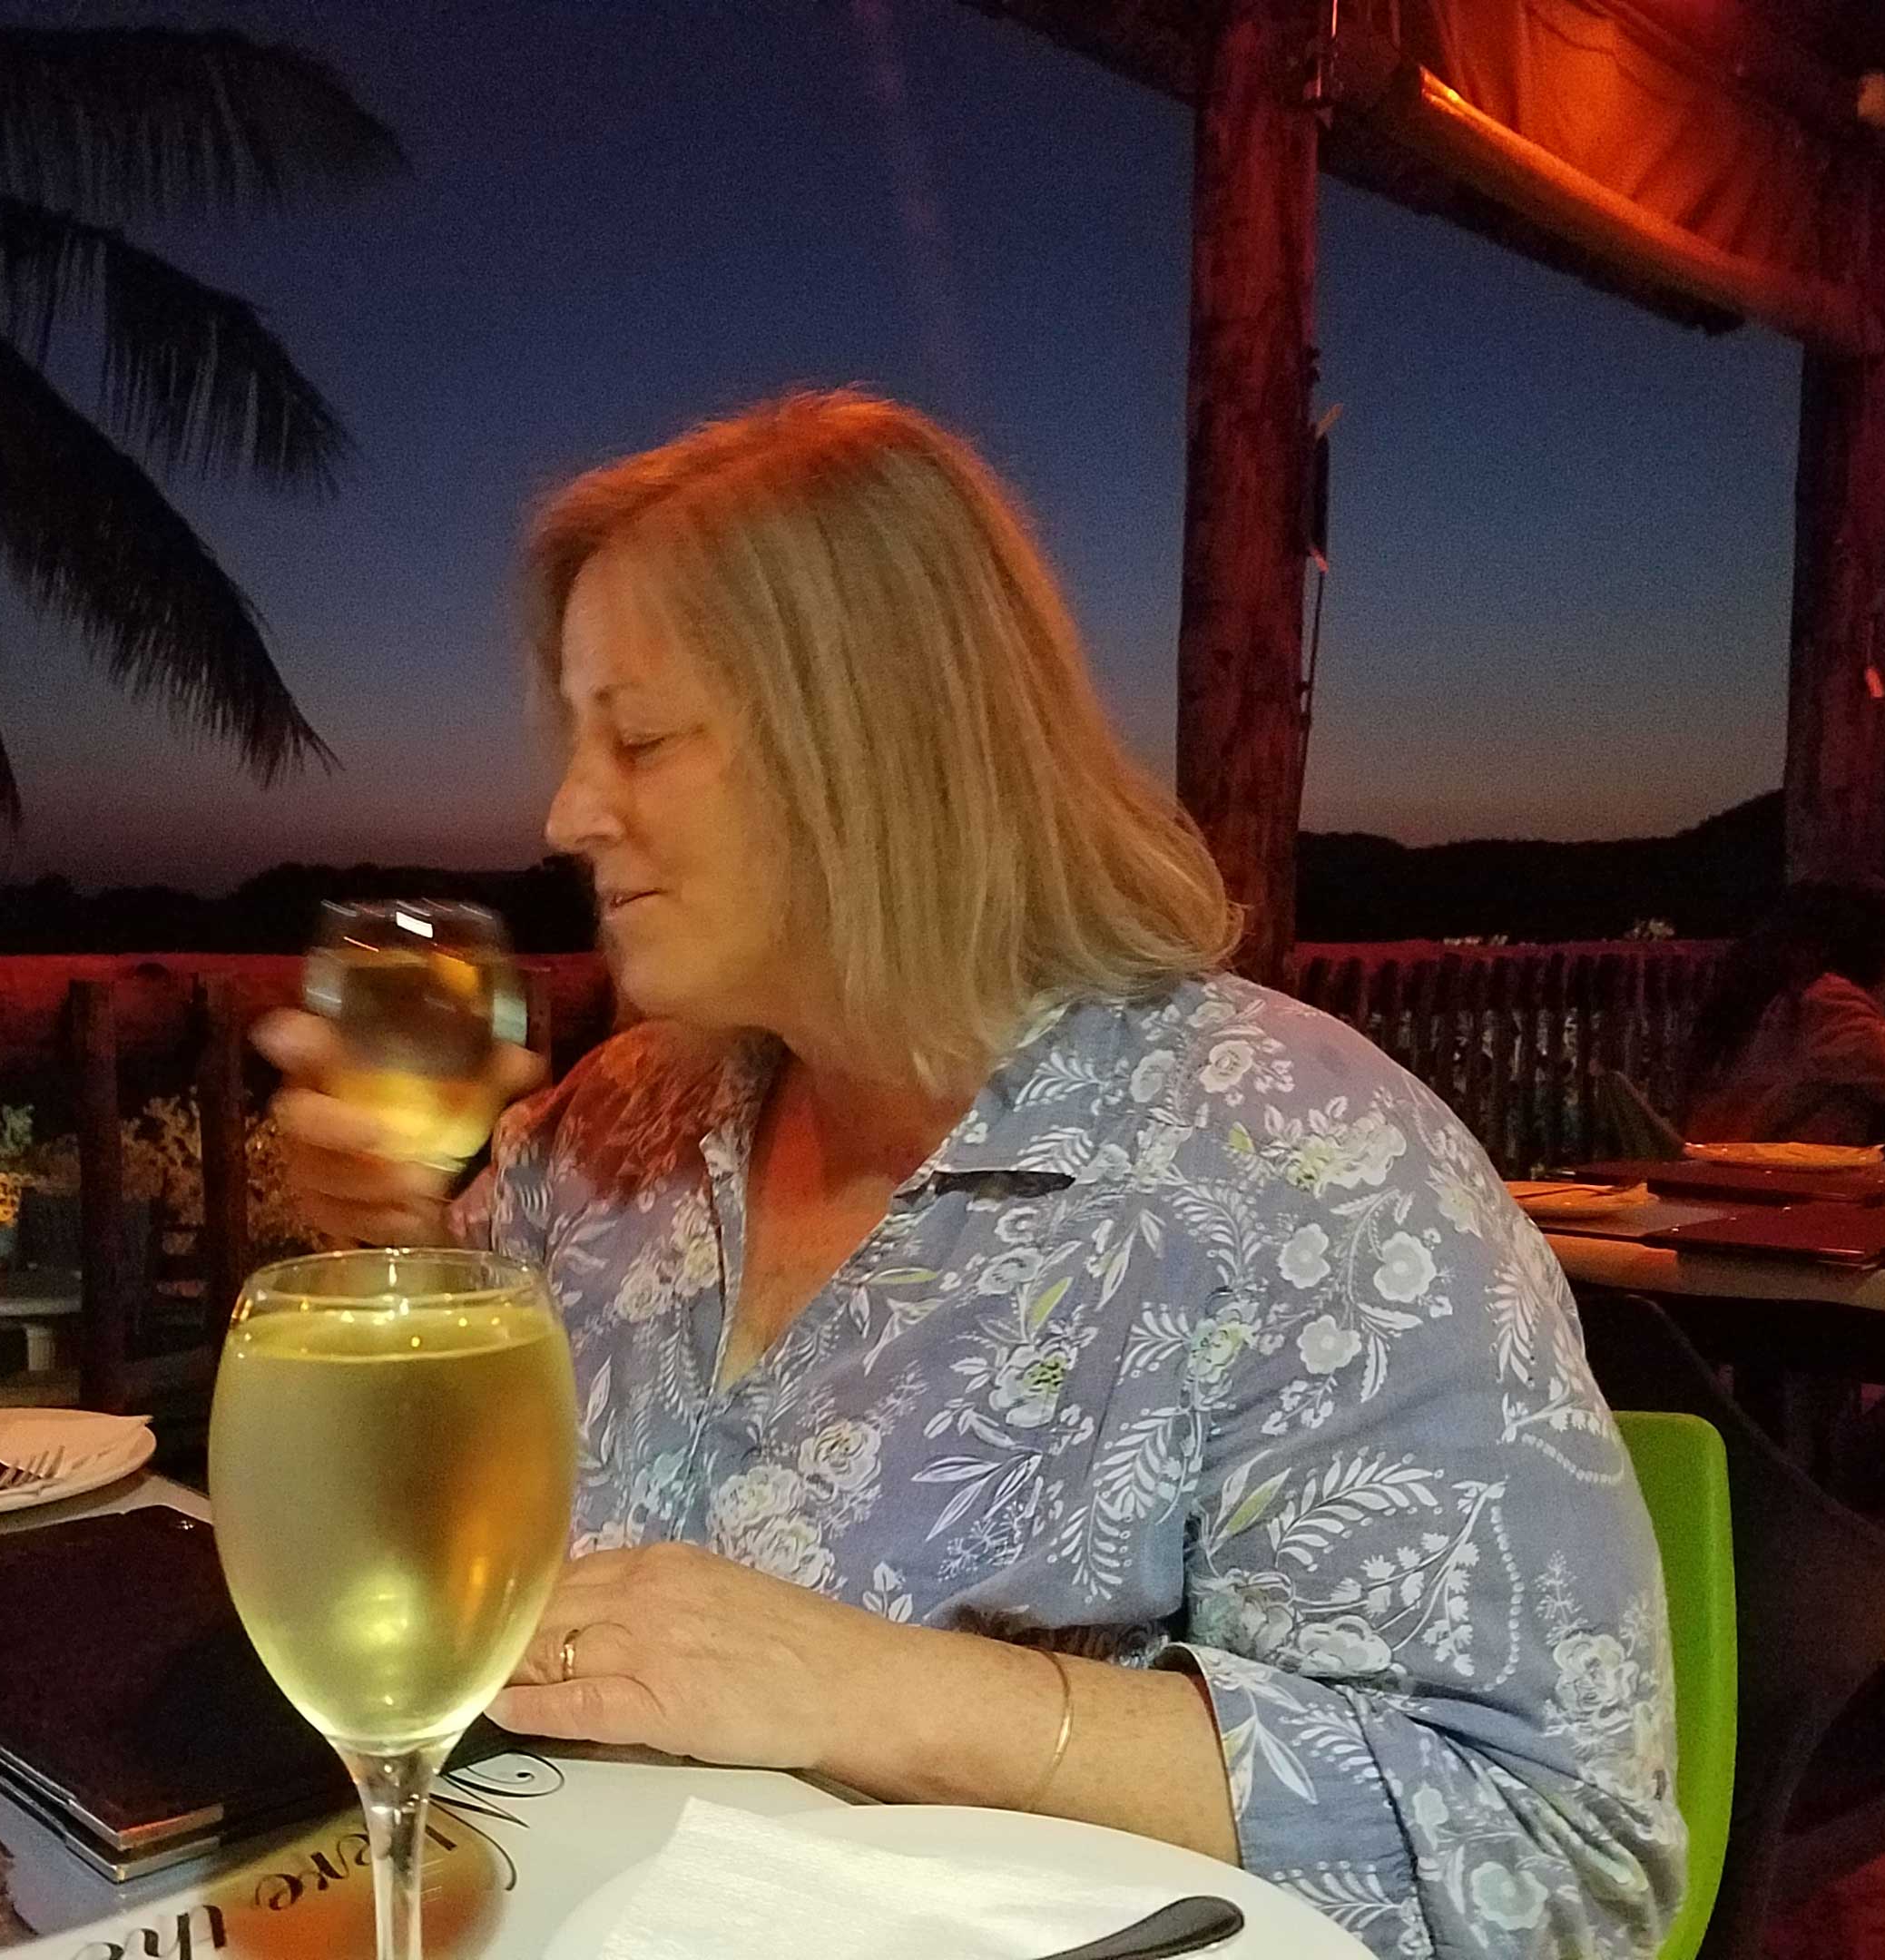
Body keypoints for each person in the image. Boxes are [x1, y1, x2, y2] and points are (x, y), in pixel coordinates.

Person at [260, 393, 1683, 1958]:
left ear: (878, 741)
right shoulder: (613, 1129)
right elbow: (416, 1562)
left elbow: (1552, 1858)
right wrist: (380, 1244)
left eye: (641, 737)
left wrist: (868, 1687)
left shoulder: (1301, 1169)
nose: (566, 813)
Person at [1684, 878, 1885, 1146]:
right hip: (1768, 1166)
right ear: (1871, 953)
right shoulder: (1823, 998)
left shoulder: (1769, 993)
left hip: (1737, 1157)